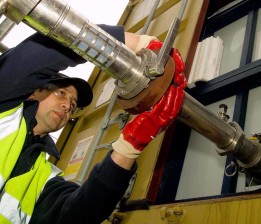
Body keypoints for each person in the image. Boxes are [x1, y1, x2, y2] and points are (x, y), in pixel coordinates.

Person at [0, 24, 186, 224]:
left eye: (72, 105)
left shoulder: (43, 175)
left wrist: (130, 146)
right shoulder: (5, 110)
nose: (66, 106)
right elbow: (37, 54)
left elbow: (81, 213)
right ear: (34, 92)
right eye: (61, 93)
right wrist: (138, 43)